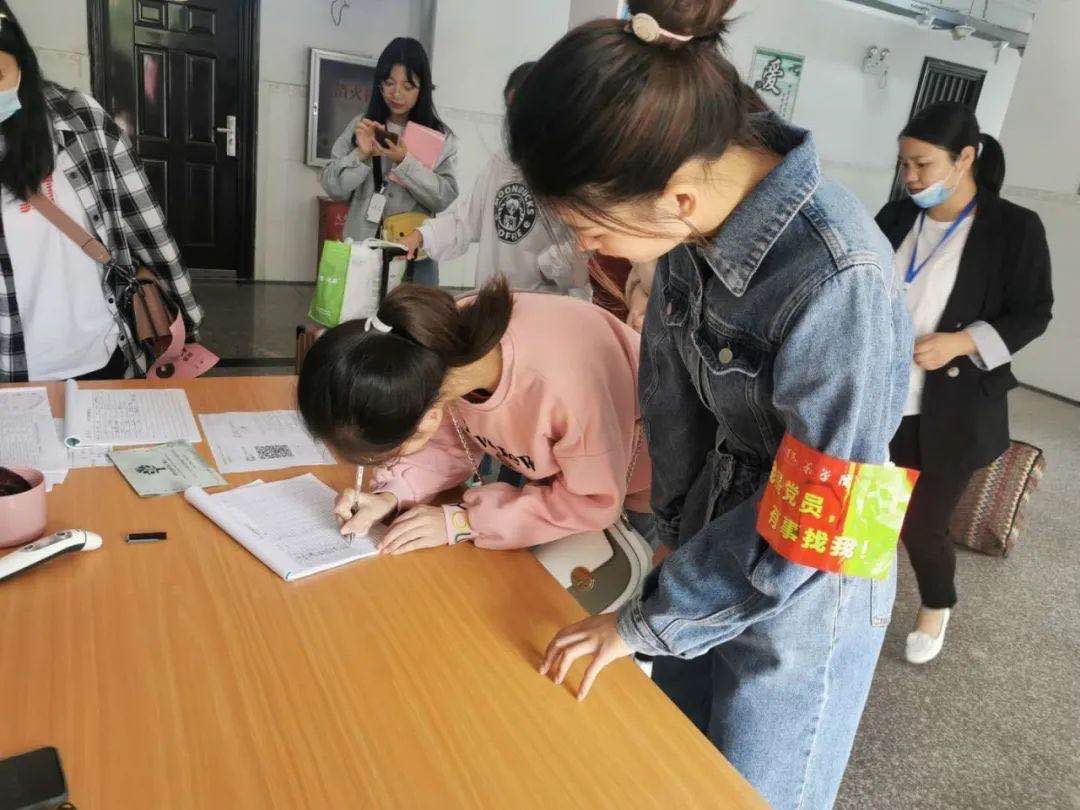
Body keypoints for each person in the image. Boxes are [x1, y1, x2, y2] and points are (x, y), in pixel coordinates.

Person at [506, 4, 912, 807]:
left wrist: (648, 621)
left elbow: (817, 527)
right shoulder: (690, 222)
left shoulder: (841, 277)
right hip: (707, 542)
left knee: (746, 792)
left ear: (679, 196)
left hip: (810, 582)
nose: (585, 248)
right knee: (676, 769)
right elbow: (673, 400)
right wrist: (667, 541)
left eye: (591, 228)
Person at [875, 102, 1053, 664]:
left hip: (952, 406)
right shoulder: (896, 218)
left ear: (965, 158)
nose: (910, 177)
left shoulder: (1013, 228)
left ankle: (936, 604)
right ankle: (860, 602)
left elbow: (1034, 313)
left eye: (922, 164)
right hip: (881, 394)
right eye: (904, 164)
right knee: (869, 508)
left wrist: (962, 343)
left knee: (923, 523)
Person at [297, 277, 651, 554]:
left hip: (643, 484)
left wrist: (464, 521)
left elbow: (592, 501)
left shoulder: (565, 386)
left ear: (426, 420)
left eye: (391, 454)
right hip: (559, 475)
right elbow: (449, 442)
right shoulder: (428, 352)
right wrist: (391, 496)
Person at [0, 5, 201, 382]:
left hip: (106, 351)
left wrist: (185, 320)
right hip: (13, 370)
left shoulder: (79, 117)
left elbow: (147, 226)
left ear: (21, 63)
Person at [398, 63, 588, 296]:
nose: (515, 122)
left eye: (524, 111)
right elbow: (465, 222)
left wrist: (546, 267)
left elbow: (588, 241)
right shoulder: (500, 163)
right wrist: (422, 235)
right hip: (494, 300)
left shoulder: (571, 168)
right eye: (511, 111)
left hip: (546, 305)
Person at [320, 37, 458, 287]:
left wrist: (405, 162)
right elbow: (333, 187)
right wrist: (360, 155)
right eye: (389, 83)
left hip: (414, 256)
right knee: (360, 312)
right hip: (364, 252)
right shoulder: (362, 126)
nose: (397, 94)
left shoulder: (439, 137)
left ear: (423, 88)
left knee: (413, 313)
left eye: (408, 86)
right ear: (379, 84)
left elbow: (444, 196)